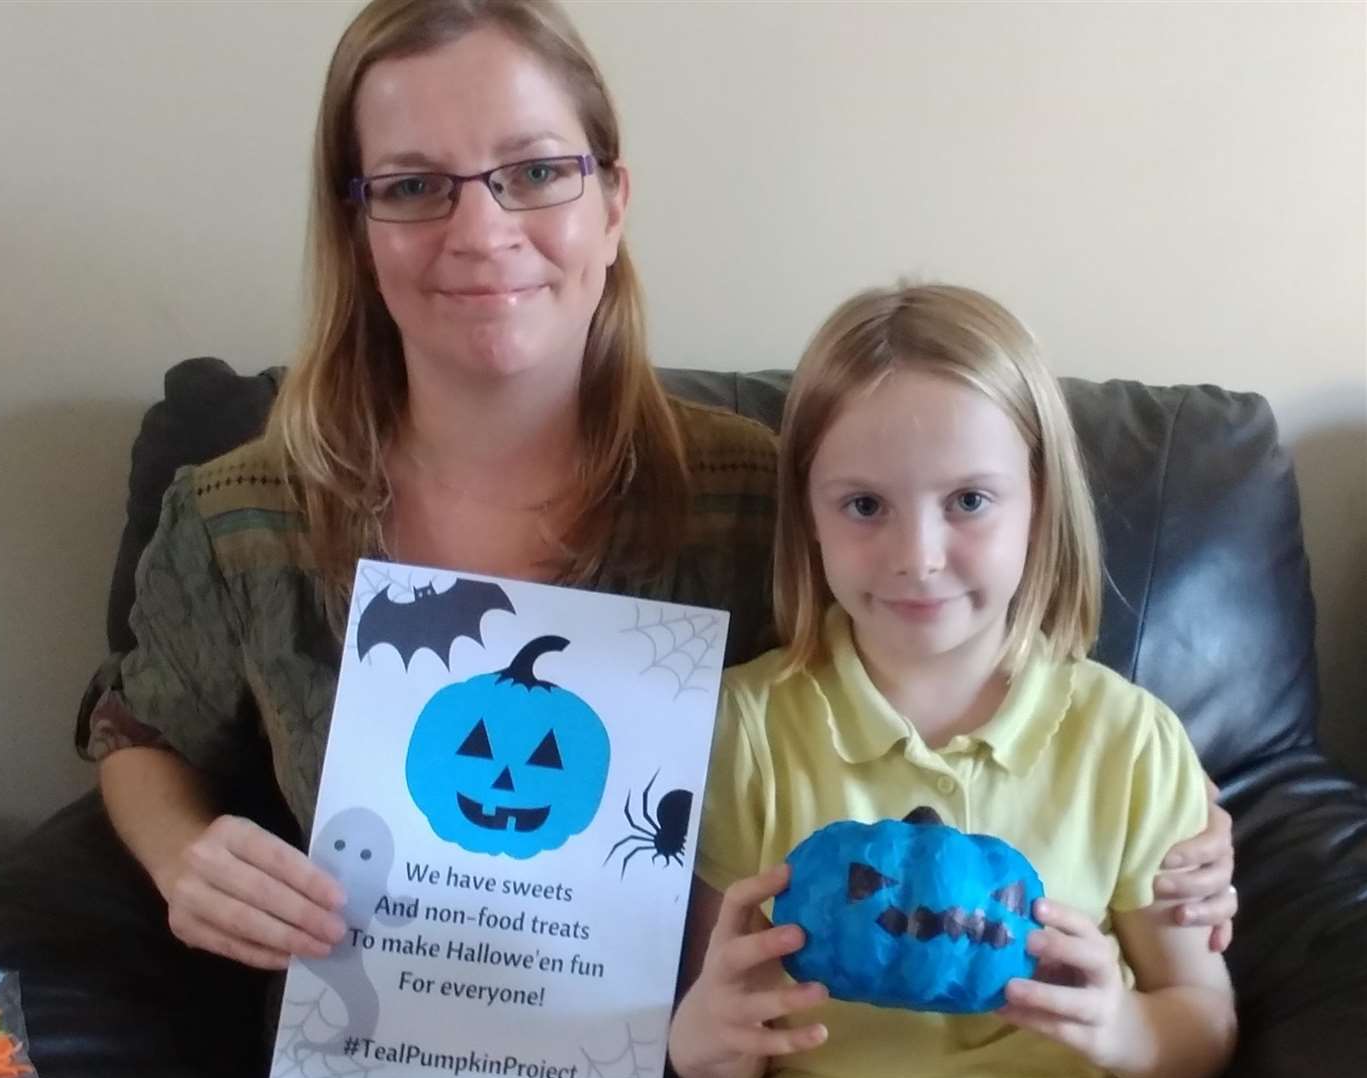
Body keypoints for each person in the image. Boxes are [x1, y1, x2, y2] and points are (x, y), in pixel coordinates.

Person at [79, 0, 1236, 986]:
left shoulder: (753, 492)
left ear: (610, 199)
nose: (481, 231)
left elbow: (958, 696)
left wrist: (1176, 831)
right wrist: (184, 853)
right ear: (357, 224)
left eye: (534, 171)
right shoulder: (245, 513)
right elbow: (134, 725)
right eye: (413, 186)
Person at [668, 284, 1238, 1078]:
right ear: (808, 514)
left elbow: (1202, 1019)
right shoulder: (743, 729)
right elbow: (711, 1032)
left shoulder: (1130, 741)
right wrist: (703, 1043)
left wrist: (1122, 1027)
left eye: (968, 500)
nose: (918, 556)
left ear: (1039, 503)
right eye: (864, 505)